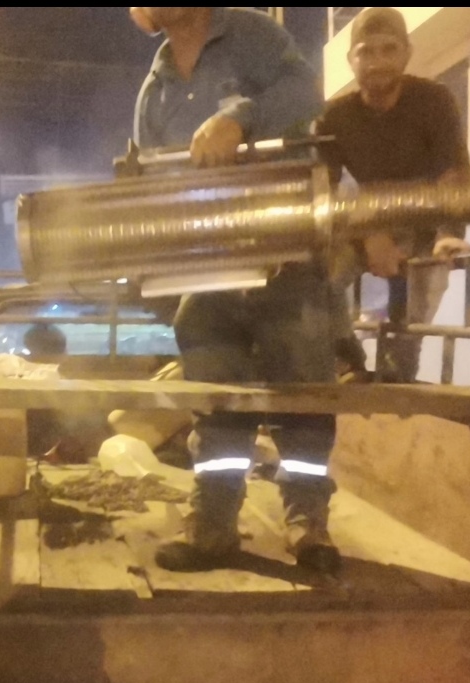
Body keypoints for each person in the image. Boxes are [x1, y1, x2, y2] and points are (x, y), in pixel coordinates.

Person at [130, 7, 341, 574]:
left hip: (284, 257)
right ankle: (214, 527)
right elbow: (154, 189)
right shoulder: (154, 92)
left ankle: (308, 527)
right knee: (217, 405)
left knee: (302, 401)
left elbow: (305, 93)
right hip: (209, 271)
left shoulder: (252, 36)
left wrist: (242, 118)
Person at [316, 7, 470, 383]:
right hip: (364, 221)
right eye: (366, 52)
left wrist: (449, 234)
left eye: (389, 49)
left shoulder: (434, 100)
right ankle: (347, 359)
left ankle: (397, 375)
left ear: (407, 53)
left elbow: (452, 172)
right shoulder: (334, 118)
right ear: (351, 60)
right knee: (314, 277)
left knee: (422, 293)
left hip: (424, 225)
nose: (378, 62)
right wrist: (370, 234)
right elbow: (326, 190)